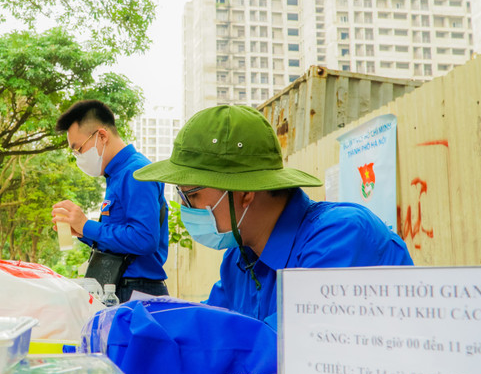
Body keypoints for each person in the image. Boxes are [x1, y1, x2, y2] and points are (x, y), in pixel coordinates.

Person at [133, 105, 413, 329]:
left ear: (245, 192)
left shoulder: (341, 237)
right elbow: (212, 322)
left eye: (191, 195)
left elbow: (284, 345)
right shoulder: (239, 259)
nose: (185, 207)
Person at [51, 100, 169, 303]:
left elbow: (144, 238)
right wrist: (82, 231)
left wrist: (87, 225)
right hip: (121, 287)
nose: (78, 157)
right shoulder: (116, 175)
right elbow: (120, 240)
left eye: (79, 149)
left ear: (102, 136)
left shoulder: (135, 172)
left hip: (137, 291)